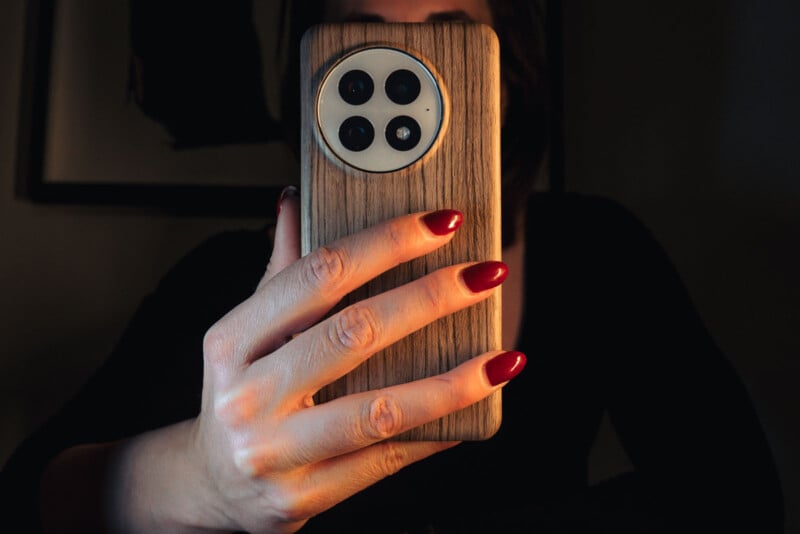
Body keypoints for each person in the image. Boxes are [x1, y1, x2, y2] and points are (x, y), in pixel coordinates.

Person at [0, 0, 784, 532]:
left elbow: (738, 498)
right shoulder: (223, 284)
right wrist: (201, 478)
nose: (403, 92)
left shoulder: (598, 252)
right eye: (368, 41)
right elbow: (24, 498)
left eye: (447, 42)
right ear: (312, 83)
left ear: (506, 85)